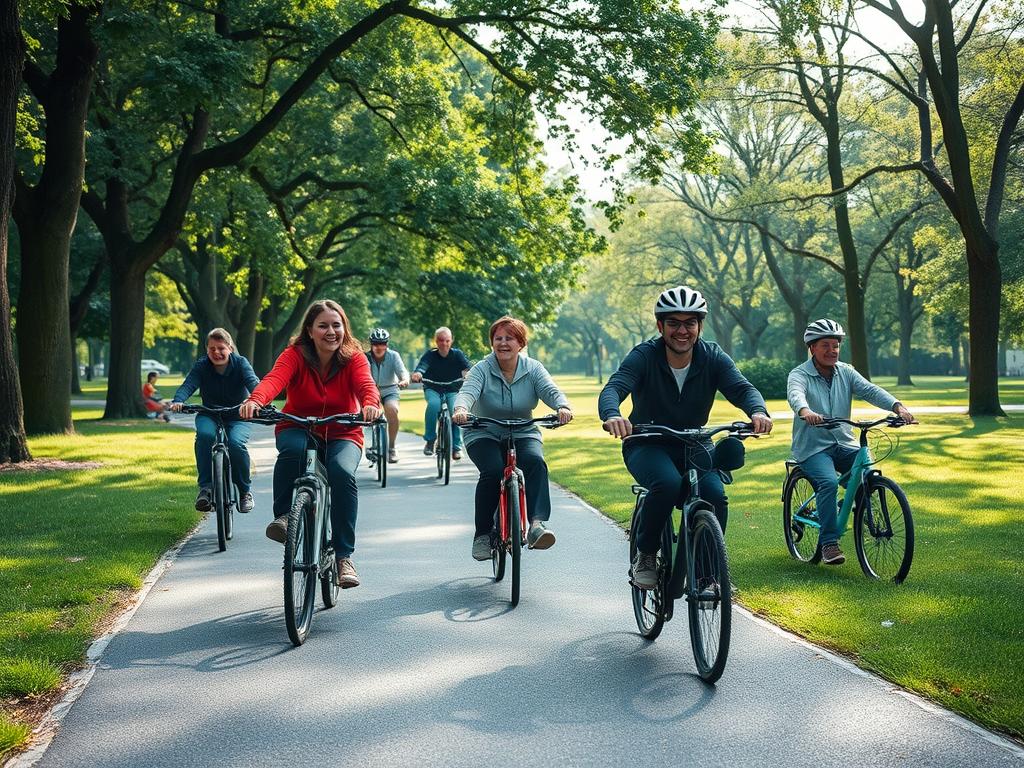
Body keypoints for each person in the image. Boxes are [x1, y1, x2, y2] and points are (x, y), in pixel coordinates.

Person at [599, 285, 773, 589]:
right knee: (666, 484)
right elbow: (614, 387)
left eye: (689, 323)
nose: (682, 330)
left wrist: (758, 411)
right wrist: (613, 414)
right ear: (660, 326)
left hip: (695, 443)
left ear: (699, 326)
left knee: (715, 495)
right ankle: (647, 555)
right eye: (674, 323)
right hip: (647, 442)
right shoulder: (644, 355)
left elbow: (742, 388)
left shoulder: (712, 356)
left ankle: (707, 575)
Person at [239, 300, 382, 589]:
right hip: (299, 425)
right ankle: (284, 517)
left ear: (344, 328)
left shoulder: (354, 357)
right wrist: (256, 400)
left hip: (343, 431)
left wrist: (370, 405)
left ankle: (344, 557)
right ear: (310, 329)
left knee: (342, 473)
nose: (331, 331)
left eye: (336, 325)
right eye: (323, 325)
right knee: (292, 451)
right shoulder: (295, 354)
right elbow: (274, 380)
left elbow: (367, 386)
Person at [787, 318, 916, 565]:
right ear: (812, 348)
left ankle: (864, 509)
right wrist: (805, 412)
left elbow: (869, 390)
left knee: (866, 475)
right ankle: (828, 544)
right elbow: (796, 395)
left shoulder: (845, 371)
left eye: (836, 345)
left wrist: (897, 406)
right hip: (814, 447)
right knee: (828, 483)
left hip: (844, 441)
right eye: (825, 345)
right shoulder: (799, 374)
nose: (832, 350)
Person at [452, 316, 572, 560]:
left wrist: (562, 406)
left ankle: (537, 525)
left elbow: (550, 389)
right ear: (492, 343)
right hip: (483, 430)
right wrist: (461, 410)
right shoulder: (482, 369)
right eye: (498, 338)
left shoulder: (533, 368)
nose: (503, 343)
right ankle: (483, 535)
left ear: (521, 343)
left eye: (510, 338)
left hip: (523, 429)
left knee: (535, 462)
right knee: (493, 471)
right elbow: (468, 391)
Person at [170, 328, 261, 513]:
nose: (217, 353)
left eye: (221, 348)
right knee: (204, 435)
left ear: (230, 347)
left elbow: (253, 383)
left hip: (238, 415)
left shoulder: (241, 363)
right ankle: (205, 488)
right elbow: (189, 384)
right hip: (209, 413)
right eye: (212, 349)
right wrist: (179, 400)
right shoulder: (202, 365)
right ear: (207, 350)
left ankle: (244, 492)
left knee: (236, 444)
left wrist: (258, 400)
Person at [410, 327, 471, 459]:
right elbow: (422, 366)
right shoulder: (430, 355)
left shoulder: (457, 354)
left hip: (452, 389)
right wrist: (418, 373)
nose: (444, 343)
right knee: (433, 405)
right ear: (436, 341)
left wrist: (468, 374)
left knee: (456, 411)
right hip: (433, 388)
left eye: (447, 340)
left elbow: (467, 368)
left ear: (451, 341)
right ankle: (430, 440)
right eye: (441, 340)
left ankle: (456, 447)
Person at [365, 327, 410, 462]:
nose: (379, 347)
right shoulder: (365, 357)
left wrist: (404, 380)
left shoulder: (393, 356)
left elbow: (403, 372)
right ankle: (370, 446)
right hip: (372, 390)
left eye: (382, 344)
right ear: (371, 344)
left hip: (390, 389)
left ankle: (391, 447)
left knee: (392, 409)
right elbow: (361, 376)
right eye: (376, 344)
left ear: (387, 344)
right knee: (369, 415)